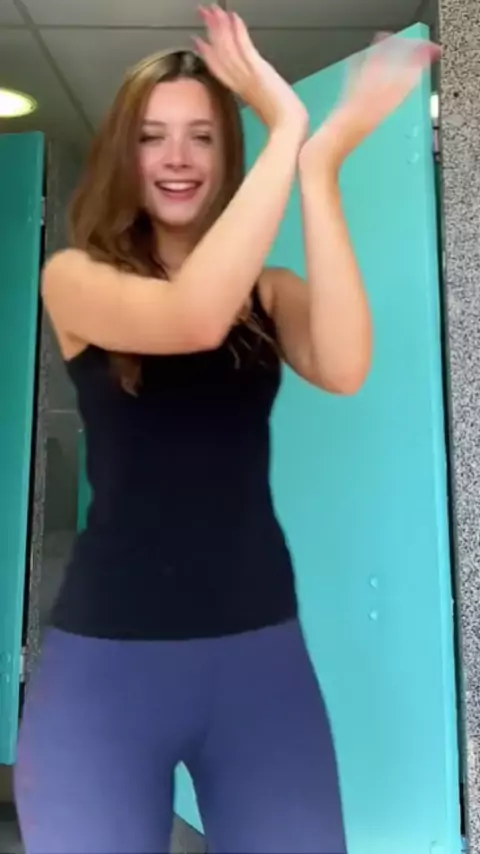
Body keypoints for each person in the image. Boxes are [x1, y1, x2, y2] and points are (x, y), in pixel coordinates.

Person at [15, 7, 439, 853]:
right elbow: (192, 316)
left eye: (202, 136)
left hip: (259, 656)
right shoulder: (76, 279)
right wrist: (285, 124)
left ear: (225, 157)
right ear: (124, 157)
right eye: (153, 137)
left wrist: (319, 164)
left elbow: (345, 364)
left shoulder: (268, 292)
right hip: (105, 668)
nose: (177, 157)